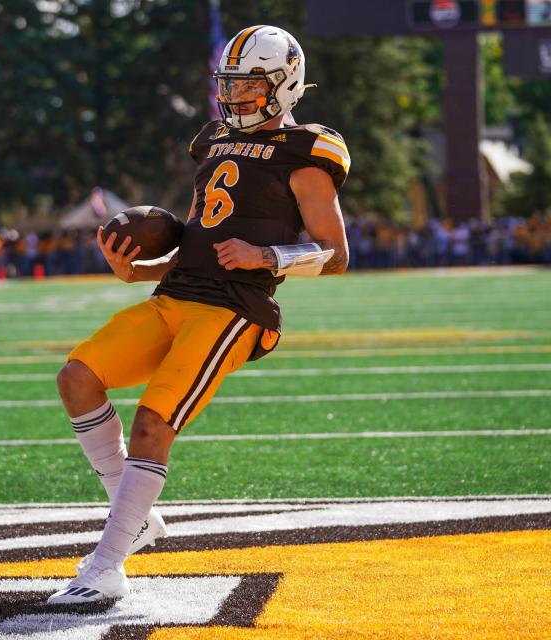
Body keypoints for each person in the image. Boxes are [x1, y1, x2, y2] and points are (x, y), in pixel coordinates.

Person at [48, 25, 351, 604]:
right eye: (229, 83)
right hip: (178, 293)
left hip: (236, 307)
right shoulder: (212, 140)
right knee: (77, 377)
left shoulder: (309, 151)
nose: (234, 95)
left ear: (284, 84)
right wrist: (136, 271)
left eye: (248, 84)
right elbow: (195, 236)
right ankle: (134, 517)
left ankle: (106, 563)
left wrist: (268, 256)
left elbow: (336, 255)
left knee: (153, 421)